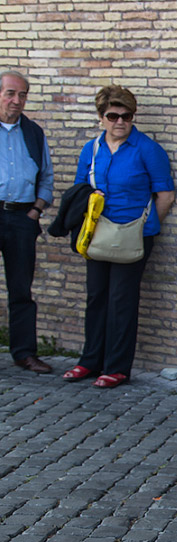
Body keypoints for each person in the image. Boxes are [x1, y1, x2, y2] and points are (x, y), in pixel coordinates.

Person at [62, 85, 175, 388]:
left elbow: (165, 194)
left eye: (126, 115)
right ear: (101, 117)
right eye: (113, 116)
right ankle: (90, 361)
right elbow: (79, 188)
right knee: (96, 297)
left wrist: (147, 227)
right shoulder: (92, 149)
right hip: (97, 234)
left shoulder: (147, 149)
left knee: (122, 300)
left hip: (132, 236)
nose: (120, 122)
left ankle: (117, 367)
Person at [0, 70, 55, 374]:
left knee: (21, 289)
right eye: (10, 93)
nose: (16, 100)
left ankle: (24, 353)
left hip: (22, 217)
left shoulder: (33, 132)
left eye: (22, 95)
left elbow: (46, 176)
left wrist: (36, 210)